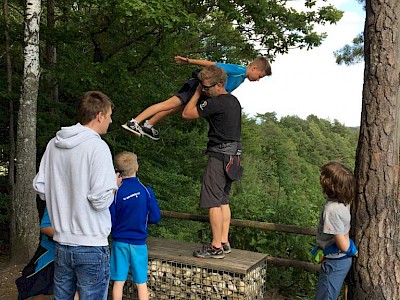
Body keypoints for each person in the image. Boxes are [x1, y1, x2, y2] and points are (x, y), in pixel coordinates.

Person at [33, 91, 119, 300]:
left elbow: (41, 186)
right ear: (99, 115)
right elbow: (99, 200)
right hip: (91, 243)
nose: (110, 120)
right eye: (109, 115)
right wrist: (113, 187)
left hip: (62, 243)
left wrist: (63, 196)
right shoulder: (97, 147)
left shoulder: (55, 144)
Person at [122, 55, 271, 140]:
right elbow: (213, 64)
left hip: (203, 92)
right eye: (260, 76)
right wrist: (190, 61)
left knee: (173, 109)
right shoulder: (238, 70)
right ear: (254, 68)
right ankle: (134, 121)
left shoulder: (241, 78)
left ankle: (148, 126)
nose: (258, 79)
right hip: (197, 87)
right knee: (168, 104)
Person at [182, 65, 243, 259]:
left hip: (219, 156)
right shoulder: (233, 101)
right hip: (233, 157)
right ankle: (223, 241)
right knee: (223, 199)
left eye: (207, 87)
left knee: (212, 202)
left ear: (219, 85)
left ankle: (215, 246)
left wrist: (197, 92)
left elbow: (187, 113)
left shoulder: (216, 103)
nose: (205, 90)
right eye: (203, 87)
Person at [109, 151, 161, 300]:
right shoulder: (146, 191)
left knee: (118, 281)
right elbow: (155, 217)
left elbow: (111, 220)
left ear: (117, 171)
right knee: (141, 282)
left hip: (119, 242)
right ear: (136, 167)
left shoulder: (115, 192)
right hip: (139, 243)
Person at [313, 162, 358, 300]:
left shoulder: (332, 211)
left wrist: (352, 249)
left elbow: (343, 245)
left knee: (325, 296)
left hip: (335, 261)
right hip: (340, 260)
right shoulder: (345, 202)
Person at [15, 206, 79, 300]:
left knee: (72, 286)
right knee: (36, 284)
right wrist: (70, 239)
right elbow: (45, 226)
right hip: (49, 252)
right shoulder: (55, 198)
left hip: (75, 252)